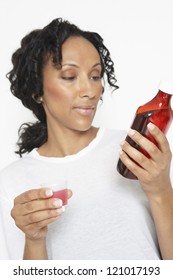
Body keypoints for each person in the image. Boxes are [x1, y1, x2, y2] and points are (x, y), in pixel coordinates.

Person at [0, 18, 173, 260]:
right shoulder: (11, 183)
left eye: (95, 76)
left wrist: (161, 189)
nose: (90, 91)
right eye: (70, 77)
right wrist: (34, 238)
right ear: (37, 90)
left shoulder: (133, 150)